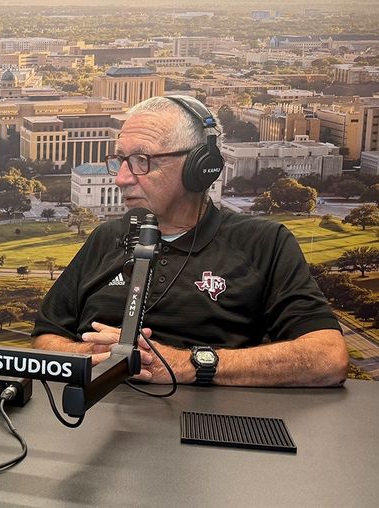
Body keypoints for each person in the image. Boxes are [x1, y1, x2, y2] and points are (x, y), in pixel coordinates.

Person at [31, 95, 348, 387]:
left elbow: (327, 357)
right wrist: (93, 354)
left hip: (205, 428)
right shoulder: (107, 236)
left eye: (142, 160)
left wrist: (187, 363)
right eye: (119, 160)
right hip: (88, 419)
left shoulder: (263, 243)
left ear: (200, 166)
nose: (121, 178)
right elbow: (47, 337)